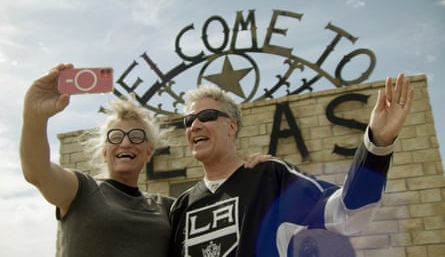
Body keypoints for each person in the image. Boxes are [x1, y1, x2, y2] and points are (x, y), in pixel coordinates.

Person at [169, 73, 414, 257]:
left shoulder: (270, 177)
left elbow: (348, 213)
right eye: (188, 121)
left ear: (232, 126)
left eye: (207, 117)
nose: (195, 126)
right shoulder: (182, 206)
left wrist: (377, 145)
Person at [19, 63, 174, 257]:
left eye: (136, 136)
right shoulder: (81, 190)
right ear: (104, 152)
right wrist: (34, 117)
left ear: (148, 152)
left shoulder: (167, 208)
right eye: (116, 137)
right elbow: (38, 173)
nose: (125, 143)